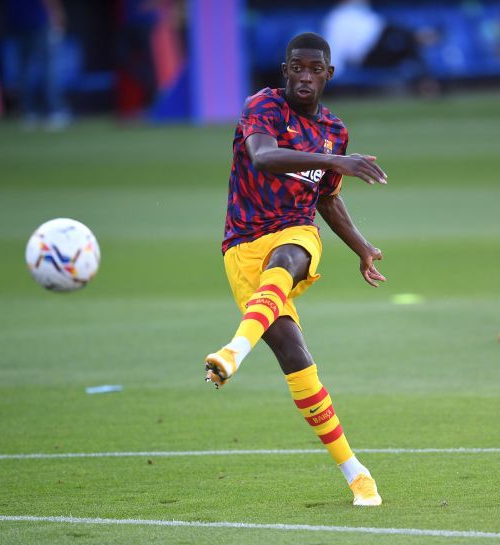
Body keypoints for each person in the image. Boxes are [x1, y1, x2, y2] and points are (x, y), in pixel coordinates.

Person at [204, 32, 387, 507]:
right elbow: (263, 158)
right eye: (297, 68)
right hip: (242, 245)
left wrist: (361, 247)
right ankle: (356, 470)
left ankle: (233, 351)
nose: (305, 77)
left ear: (328, 74)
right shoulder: (261, 107)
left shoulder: (334, 130)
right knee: (296, 358)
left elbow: (326, 197)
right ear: (285, 70)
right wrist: (332, 160)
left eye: (315, 69)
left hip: (294, 233)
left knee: (293, 251)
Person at [4, 0, 69, 131]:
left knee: (25, 69)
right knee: (48, 67)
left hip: (19, 21)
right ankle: (53, 111)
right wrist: (58, 15)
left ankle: (28, 112)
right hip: (38, 20)